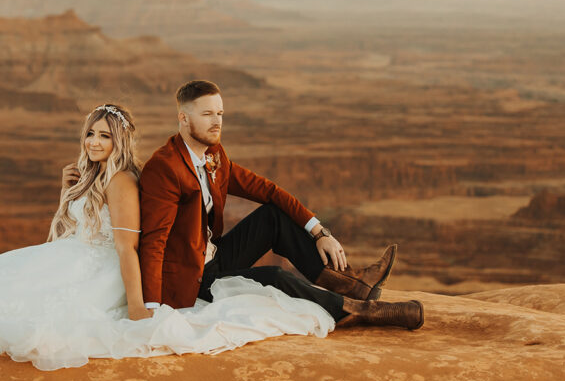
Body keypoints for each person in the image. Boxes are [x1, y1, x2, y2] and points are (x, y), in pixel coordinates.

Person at [0, 103, 336, 371]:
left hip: (107, 268)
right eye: (90, 134)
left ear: (119, 142)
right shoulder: (90, 174)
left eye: (104, 137)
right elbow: (70, 227)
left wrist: (136, 306)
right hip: (72, 255)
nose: (94, 143)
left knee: (34, 318)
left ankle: (341, 289)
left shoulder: (124, 181)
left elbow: (128, 245)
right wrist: (68, 190)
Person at [139, 80, 424, 330]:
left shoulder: (213, 154)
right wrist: (152, 309)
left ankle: (352, 285)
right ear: (183, 118)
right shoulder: (165, 168)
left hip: (214, 255)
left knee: (273, 216)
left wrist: (319, 232)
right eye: (207, 114)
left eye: (220, 113)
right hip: (192, 279)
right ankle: (360, 311)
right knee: (274, 275)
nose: (217, 122)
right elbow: (154, 241)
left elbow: (268, 190)